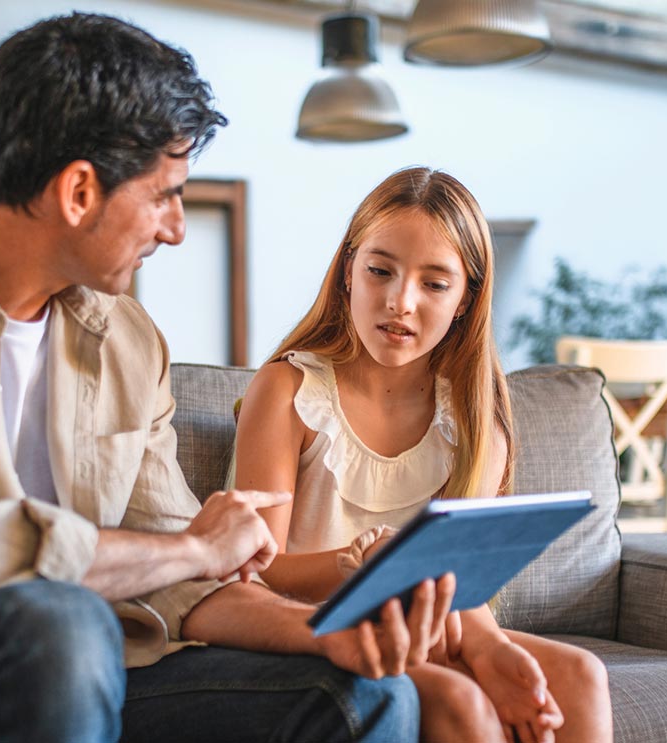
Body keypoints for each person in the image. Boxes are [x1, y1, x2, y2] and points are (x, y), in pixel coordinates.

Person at [0, 14, 444, 743]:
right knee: (56, 620)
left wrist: (322, 631)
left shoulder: (129, 341)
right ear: (79, 191)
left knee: (368, 692)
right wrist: (196, 548)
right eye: (163, 193)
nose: (174, 226)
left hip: (94, 663)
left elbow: (180, 577)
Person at [232, 168, 614, 743]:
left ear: (466, 299)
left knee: (582, 674)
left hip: (427, 627)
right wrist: (360, 568)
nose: (399, 302)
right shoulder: (287, 390)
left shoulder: (473, 420)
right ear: (347, 274)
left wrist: (484, 643)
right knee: (461, 703)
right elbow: (257, 570)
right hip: (312, 629)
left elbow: (464, 584)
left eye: (435, 284)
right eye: (379, 271)